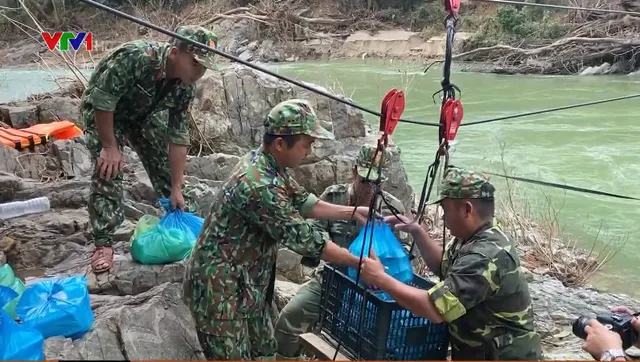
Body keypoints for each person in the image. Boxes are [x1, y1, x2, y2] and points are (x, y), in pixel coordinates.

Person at [182, 98, 376, 360]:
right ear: (281, 143)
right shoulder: (259, 184)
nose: (309, 151)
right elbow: (309, 241)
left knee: (265, 351)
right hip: (219, 288)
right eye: (306, 145)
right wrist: (361, 264)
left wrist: (353, 212)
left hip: (248, 282)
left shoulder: (270, 164)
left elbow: (305, 203)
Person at [359, 165, 542, 360]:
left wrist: (381, 278)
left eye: (445, 210)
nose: (444, 218)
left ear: (466, 209)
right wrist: (417, 232)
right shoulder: (473, 238)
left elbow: (434, 308)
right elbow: (444, 267)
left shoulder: (486, 255)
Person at [81, 25, 219, 273]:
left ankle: (177, 227)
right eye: (196, 64)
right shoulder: (137, 57)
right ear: (176, 53)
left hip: (143, 116)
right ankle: (103, 243)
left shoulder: (185, 87)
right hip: (104, 113)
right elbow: (103, 99)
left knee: (171, 179)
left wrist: (176, 187)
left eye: (204, 67)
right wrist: (110, 146)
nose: (200, 72)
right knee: (110, 168)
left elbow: (178, 136)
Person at [273, 143, 410, 359]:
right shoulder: (334, 197)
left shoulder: (392, 208)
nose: (369, 188)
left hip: (374, 291)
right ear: (354, 171)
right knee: (290, 318)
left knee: (377, 343)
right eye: (365, 180)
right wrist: (345, 255)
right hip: (331, 279)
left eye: (376, 182)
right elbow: (315, 234)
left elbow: (403, 253)